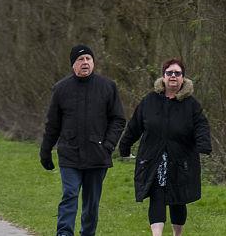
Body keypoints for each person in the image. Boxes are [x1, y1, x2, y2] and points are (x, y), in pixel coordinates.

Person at [117, 57, 211, 236]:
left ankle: (177, 233)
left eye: (177, 73)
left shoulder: (191, 104)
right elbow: (135, 125)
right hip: (154, 159)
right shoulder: (150, 100)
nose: (173, 76)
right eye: (169, 73)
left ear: (183, 78)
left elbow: (201, 126)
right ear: (163, 77)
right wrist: (125, 147)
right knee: (157, 197)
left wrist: (203, 145)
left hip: (181, 161)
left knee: (178, 200)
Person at [40, 44, 127, 236]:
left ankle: (88, 233)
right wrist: (45, 151)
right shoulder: (61, 89)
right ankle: (64, 232)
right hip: (69, 153)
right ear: (73, 65)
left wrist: (109, 145)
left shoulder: (108, 87)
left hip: (98, 155)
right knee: (69, 194)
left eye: (88, 59)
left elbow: (118, 119)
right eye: (81, 60)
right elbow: (52, 124)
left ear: (94, 63)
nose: (85, 63)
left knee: (91, 202)